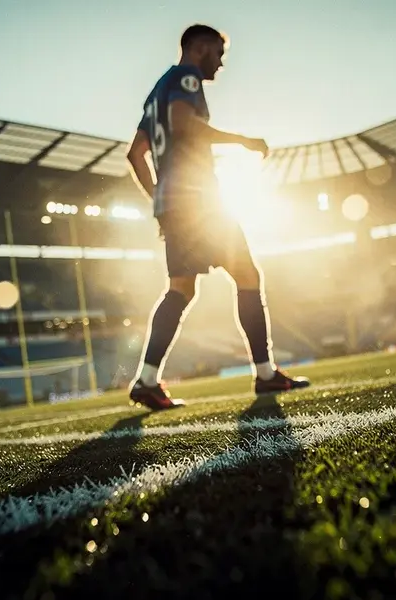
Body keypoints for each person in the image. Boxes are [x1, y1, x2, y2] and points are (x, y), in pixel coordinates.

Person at [125, 24, 311, 410]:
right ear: (199, 47)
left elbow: (136, 154)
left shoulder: (154, 93)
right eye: (219, 53)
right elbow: (184, 125)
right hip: (199, 200)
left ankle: (146, 380)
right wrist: (243, 141)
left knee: (181, 289)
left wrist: (160, 200)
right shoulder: (185, 76)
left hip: (176, 205)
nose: (221, 63)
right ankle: (265, 374)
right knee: (247, 275)